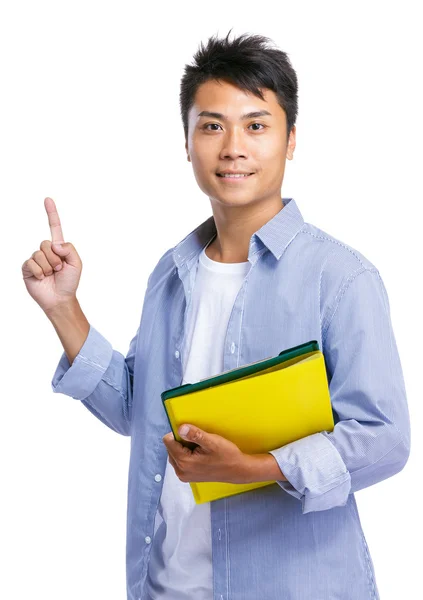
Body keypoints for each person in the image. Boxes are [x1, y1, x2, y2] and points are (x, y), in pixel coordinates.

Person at [22, 30, 411, 600]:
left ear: (291, 139)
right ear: (186, 142)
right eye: (211, 125)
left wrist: (256, 467)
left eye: (256, 125)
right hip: (166, 587)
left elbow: (384, 439)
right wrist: (63, 307)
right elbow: (139, 410)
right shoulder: (170, 273)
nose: (233, 147)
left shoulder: (342, 279)